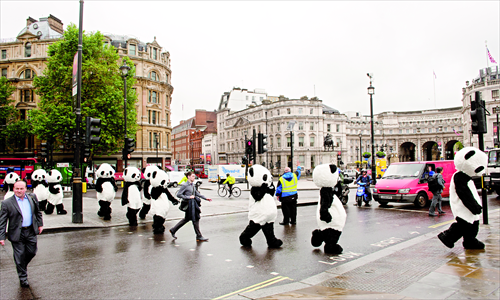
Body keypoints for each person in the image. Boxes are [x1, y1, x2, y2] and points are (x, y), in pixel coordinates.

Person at [0, 180, 44, 288]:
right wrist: (1, 237)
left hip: (30, 230)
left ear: (25, 189)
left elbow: (37, 212)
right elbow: (2, 221)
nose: (19, 191)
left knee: (32, 252)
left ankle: (21, 266)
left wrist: (40, 224)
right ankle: (23, 278)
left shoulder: (32, 197)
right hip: (16, 233)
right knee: (19, 255)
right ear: (13, 189)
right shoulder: (7, 203)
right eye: (17, 189)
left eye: (21, 188)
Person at [169, 172, 212, 241]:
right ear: (188, 177)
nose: (194, 177)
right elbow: (179, 194)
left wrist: (205, 198)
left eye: (194, 176)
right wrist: (188, 197)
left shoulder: (192, 185)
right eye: (192, 176)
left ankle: (173, 230)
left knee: (187, 219)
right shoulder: (185, 185)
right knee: (195, 218)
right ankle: (199, 236)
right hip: (189, 205)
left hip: (193, 204)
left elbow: (196, 193)